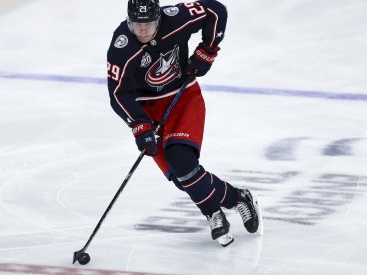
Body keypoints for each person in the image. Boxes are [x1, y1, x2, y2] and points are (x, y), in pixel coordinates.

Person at [107, 0, 262, 246]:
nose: (143, 30)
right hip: (148, 111)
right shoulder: (121, 47)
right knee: (183, 180)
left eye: (148, 23)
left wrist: (208, 50)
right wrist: (139, 125)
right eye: (138, 24)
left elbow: (215, 10)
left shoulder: (176, 18)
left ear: (158, 18)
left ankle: (213, 214)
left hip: (183, 97)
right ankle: (238, 198)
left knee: (182, 161)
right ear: (129, 21)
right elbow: (118, 94)